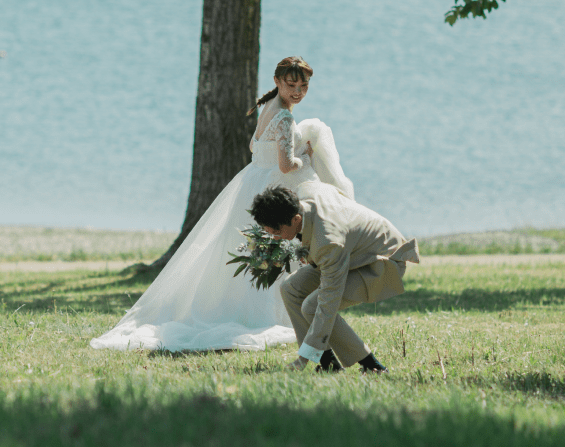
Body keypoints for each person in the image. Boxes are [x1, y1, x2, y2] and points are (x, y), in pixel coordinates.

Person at [90, 56, 355, 352]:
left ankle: (248, 307)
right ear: (277, 82)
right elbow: (285, 164)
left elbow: (254, 146)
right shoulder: (284, 116)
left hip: (251, 182)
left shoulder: (268, 107)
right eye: (291, 85)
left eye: (303, 86)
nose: (298, 91)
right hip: (271, 186)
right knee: (271, 245)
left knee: (250, 248)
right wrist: (306, 155)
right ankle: (266, 315)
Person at [249, 183, 420, 373]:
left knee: (312, 307)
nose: (275, 238)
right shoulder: (306, 191)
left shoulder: (328, 241)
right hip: (351, 254)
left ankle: (372, 365)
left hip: (381, 263)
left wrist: (303, 359)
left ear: (296, 218)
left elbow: (329, 300)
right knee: (290, 288)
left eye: (277, 232)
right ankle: (328, 363)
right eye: (270, 233)